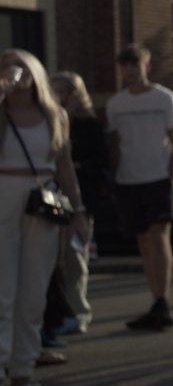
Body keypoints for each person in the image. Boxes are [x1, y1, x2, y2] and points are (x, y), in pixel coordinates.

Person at [1, 50, 90, 386]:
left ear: (36, 72)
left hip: (44, 198)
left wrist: (78, 211)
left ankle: (22, 375)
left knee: (34, 292)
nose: (13, 72)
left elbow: (64, 165)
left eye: (20, 66)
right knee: (3, 292)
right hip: (4, 195)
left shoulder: (55, 115)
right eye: (5, 65)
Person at [105, 44, 173, 331]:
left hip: (159, 178)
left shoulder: (165, 98)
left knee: (159, 237)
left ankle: (163, 301)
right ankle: (156, 302)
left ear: (147, 66)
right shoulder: (115, 103)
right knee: (143, 242)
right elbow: (115, 145)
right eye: (124, 66)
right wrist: (113, 178)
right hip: (128, 181)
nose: (129, 71)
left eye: (134, 65)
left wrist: (172, 176)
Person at [48, 71, 105, 333]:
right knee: (51, 262)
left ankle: (78, 311)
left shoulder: (90, 125)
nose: (57, 97)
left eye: (61, 92)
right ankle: (56, 315)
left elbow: (100, 162)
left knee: (74, 259)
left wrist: (76, 166)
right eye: (53, 92)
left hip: (81, 199)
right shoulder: (46, 121)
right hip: (49, 201)